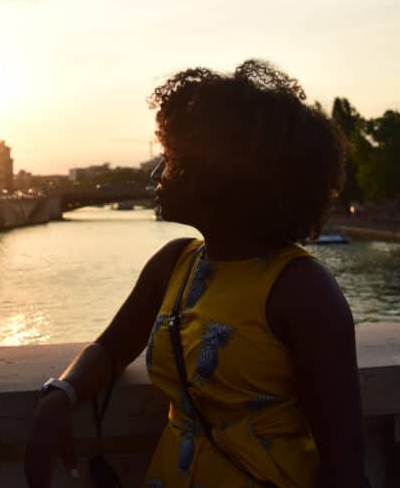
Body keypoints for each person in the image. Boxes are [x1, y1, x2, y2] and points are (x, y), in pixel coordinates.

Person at [25, 60, 368, 487]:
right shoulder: (174, 264)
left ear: (221, 176)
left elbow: (345, 460)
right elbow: (113, 348)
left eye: (172, 159)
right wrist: (62, 393)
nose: (157, 174)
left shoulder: (302, 290)